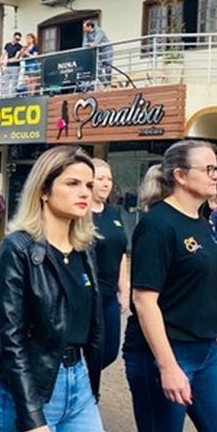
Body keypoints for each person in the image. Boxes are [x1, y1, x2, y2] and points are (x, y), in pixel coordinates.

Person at [0, 146, 108, 432]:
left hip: (78, 385)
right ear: (44, 191)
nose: (85, 192)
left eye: (88, 185)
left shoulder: (85, 248)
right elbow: (12, 338)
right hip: (29, 390)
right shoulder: (18, 249)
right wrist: (31, 417)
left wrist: (90, 388)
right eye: (73, 183)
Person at [125, 140, 217, 432]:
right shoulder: (158, 225)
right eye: (208, 169)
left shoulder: (203, 221)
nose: (216, 175)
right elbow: (144, 300)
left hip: (206, 351)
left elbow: (201, 293)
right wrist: (167, 366)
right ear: (180, 175)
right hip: (163, 352)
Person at [90, 158, 129, 370]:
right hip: (88, 294)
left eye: (109, 179)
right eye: (100, 179)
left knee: (110, 351)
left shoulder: (113, 213)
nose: (106, 184)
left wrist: (124, 288)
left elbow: (120, 251)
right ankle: (86, 388)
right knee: (90, 350)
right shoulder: (80, 214)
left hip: (109, 295)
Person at [83, 20, 114, 88]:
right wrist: (88, 45)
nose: (84, 29)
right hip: (99, 52)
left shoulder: (99, 31)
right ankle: (106, 84)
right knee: (98, 68)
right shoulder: (86, 34)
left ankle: (109, 84)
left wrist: (91, 44)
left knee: (107, 67)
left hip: (107, 50)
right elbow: (84, 45)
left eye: (85, 27)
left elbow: (95, 43)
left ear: (89, 26)